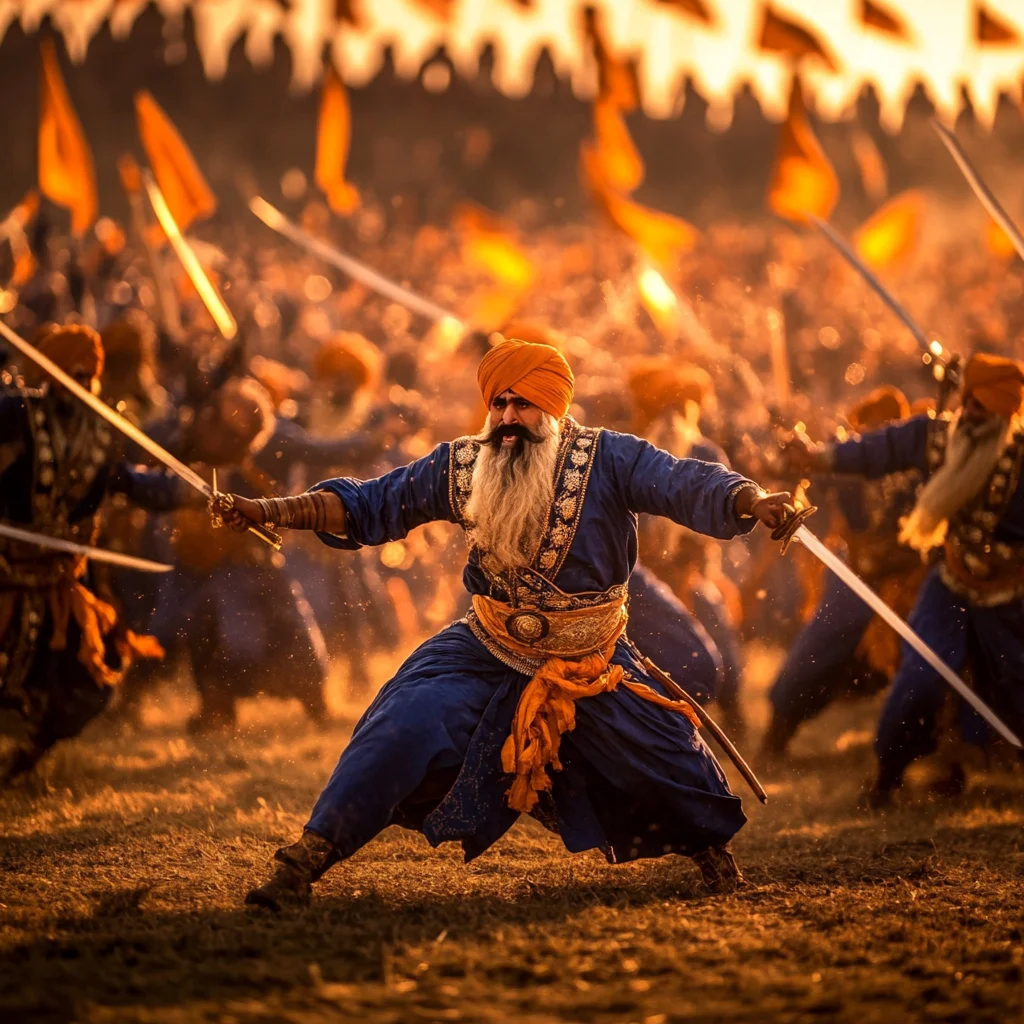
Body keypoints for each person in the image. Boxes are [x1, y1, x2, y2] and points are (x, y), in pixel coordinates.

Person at [215, 337, 793, 908]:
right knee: (402, 725)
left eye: (524, 405)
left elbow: (682, 481)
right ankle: (305, 859)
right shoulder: (463, 463)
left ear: (555, 408)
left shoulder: (610, 457)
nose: (509, 418)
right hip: (486, 645)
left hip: (589, 654)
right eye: (499, 404)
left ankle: (713, 859)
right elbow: (372, 502)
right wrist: (271, 511)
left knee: (669, 758)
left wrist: (751, 499)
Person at [784, 355, 1024, 805]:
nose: (972, 413)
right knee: (922, 676)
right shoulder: (933, 435)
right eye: (968, 402)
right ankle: (887, 777)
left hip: (1012, 596)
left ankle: (969, 768)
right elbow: (879, 450)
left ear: (1008, 413)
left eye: (984, 407)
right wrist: (816, 456)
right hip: (949, 583)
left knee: (1015, 683)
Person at [0, 323, 195, 778]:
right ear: (49, 374)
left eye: (89, 374)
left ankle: (28, 753)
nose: (81, 381)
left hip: (62, 586)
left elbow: (135, 482)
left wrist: (196, 495)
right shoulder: (15, 415)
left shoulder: (104, 433)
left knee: (92, 683)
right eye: (72, 371)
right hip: (5, 573)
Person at [763, 387, 926, 759]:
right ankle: (778, 732)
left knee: (932, 655)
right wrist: (788, 460)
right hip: (857, 573)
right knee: (816, 649)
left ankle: (937, 756)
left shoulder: (917, 454)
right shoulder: (844, 456)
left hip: (912, 575)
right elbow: (794, 478)